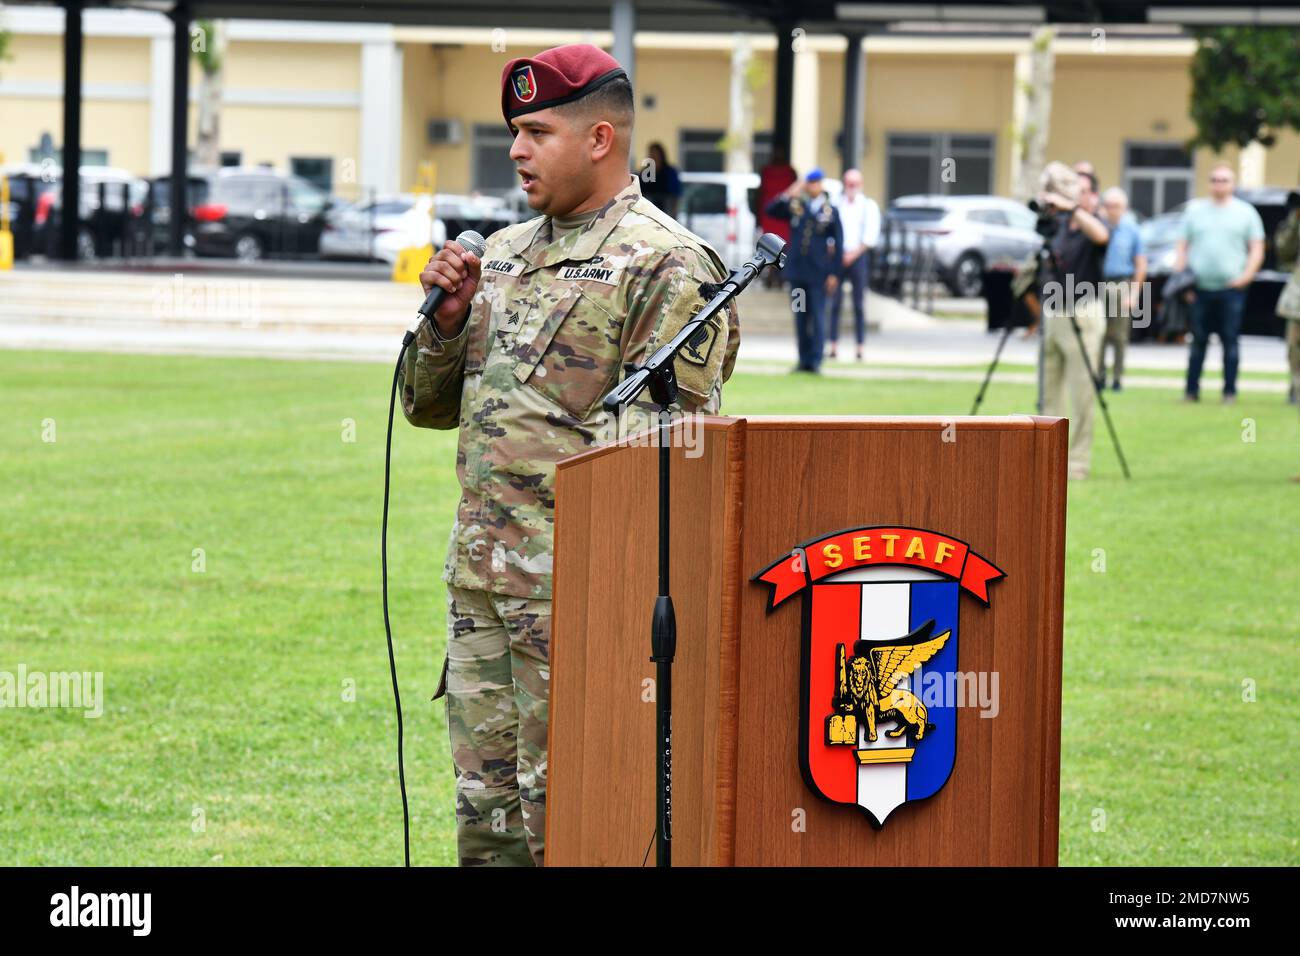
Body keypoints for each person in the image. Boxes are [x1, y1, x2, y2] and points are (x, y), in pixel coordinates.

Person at [398, 43, 740, 867]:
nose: (516, 149)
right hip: (481, 586)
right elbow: (426, 406)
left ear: (600, 139)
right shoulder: (504, 252)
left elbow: (671, 459)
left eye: (537, 131)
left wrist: (607, 594)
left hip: (581, 599)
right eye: (514, 131)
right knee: (488, 817)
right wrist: (446, 325)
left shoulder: (668, 264)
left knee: (579, 818)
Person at [1036, 162, 1110, 480]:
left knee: (1081, 392)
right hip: (1054, 309)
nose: (1071, 198)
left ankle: (1077, 461)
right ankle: (1047, 457)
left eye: (1080, 191)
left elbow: (1102, 236)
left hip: (1083, 311)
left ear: (1091, 196)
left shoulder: (1094, 224)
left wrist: (1074, 209)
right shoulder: (1060, 227)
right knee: (1049, 389)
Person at [1173, 162, 1265, 404]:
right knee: (1198, 342)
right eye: (1214, 179)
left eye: (1224, 180)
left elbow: (1257, 248)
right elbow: (1182, 246)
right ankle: (1191, 391)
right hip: (1200, 289)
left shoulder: (1246, 213)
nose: (1219, 184)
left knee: (1230, 341)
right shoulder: (1196, 211)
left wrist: (1246, 276)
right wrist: (1183, 282)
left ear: (1232, 184)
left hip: (1232, 289)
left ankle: (1229, 391)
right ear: (1209, 183)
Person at [765, 168, 842, 373]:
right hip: (798, 273)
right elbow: (770, 209)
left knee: (817, 316)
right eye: (809, 183)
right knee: (800, 315)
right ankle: (803, 359)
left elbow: (839, 244)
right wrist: (791, 191)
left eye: (815, 183)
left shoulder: (830, 211)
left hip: (818, 274)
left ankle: (816, 360)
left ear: (821, 184)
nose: (812, 187)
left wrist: (834, 273)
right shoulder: (797, 206)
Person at [827, 168, 880, 361]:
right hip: (839, 257)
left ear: (861, 185)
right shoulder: (836, 204)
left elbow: (870, 236)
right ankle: (833, 344)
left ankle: (860, 346)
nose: (851, 188)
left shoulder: (868, 206)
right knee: (835, 303)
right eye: (848, 184)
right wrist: (836, 251)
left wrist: (853, 254)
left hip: (858, 257)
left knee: (858, 304)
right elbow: (829, 233)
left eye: (855, 184)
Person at [1098, 186, 1147, 391]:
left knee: (1119, 335)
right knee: (1098, 333)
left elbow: (1141, 263)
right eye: (1108, 205)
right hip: (1096, 284)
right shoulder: (1097, 228)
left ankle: (1117, 378)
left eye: (1116, 206)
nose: (1111, 210)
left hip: (1121, 283)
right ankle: (1098, 376)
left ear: (1124, 207)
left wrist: (1134, 293)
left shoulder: (1132, 230)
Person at [757, 144, 798, 288]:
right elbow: (760, 193)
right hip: (769, 214)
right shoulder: (766, 171)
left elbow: (794, 194)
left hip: (782, 216)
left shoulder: (790, 172)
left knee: (784, 245)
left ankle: (780, 275)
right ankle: (771, 274)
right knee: (770, 245)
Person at [1275, 192, 1300, 408]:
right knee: (1294, 348)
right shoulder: (1295, 222)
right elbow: (1284, 252)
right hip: (1297, 299)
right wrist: (1295, 220)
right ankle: (1296, 391)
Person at [641, 141, 682, 218]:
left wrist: (674, 214)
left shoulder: (670, 172)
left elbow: (675, 194)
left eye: (655, 153)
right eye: (651, 153)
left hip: (666, 211)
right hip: (648, 211)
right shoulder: (645, 172)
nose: (653, 155)